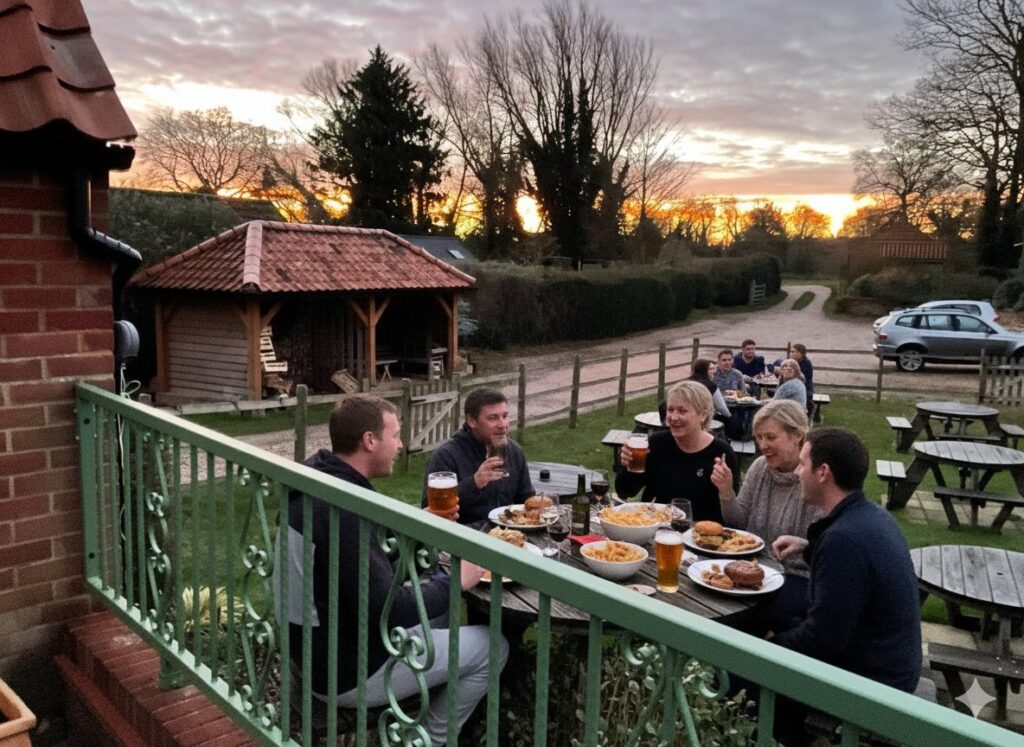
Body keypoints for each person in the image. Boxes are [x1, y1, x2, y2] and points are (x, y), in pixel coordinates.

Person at [273, 396, 507, 745]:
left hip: (318, 648)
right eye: (395, 436)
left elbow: (357, 566)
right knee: (494, 646)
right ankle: (427, 740)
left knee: (440, 614)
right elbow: (390, 607)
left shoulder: (319, 483)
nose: (401, 445)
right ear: (369, 440)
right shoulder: (341, 511)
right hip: (345, 672)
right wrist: (458, 580)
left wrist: (414, 529)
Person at [772, 428, 922, 692]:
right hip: (889, 664)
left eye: (803, 464)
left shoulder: (843, 540)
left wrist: (766, 649)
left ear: (823, 472)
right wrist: (808, 547)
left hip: (872, 685)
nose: (797, 473)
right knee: (772, 615)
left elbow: (823, 640)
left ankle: (784, 732)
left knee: (733, 673)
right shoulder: (871, 515)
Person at [711, 400, 820, 630]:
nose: (763, 445)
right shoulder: (760, 467)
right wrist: (726, 491)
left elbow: (826, 546)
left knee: (750, 614)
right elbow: (738, 523)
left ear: (797, 436)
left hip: (798, 575)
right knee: (716, 597)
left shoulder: (813, 478)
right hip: (754, 567)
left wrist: (804, 545)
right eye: (759, 437)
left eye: (770, 437)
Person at [618, 381, 739, 523]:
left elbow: (730, 518)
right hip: (653, 531)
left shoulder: (721, 453)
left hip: (699, 539)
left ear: (703, 415)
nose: (673, 417)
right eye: (670, 410)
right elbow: (625, 491)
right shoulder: (657, 443)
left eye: (682, 411)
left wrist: (726, 491)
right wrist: (628, 466)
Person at [422, 387, 534, 525]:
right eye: (493, 418)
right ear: (471, 421)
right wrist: (475, 482)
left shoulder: (514, 451)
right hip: (462, 538)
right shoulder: (446, 456)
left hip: (507, 536)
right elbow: (429, 509)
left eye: (505, 416)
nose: (503, 425)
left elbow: (526, 499)